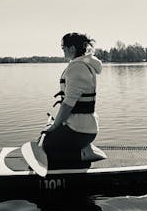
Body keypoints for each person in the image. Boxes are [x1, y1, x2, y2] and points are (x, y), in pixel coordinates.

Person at [41, 32, 102, 169]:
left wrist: (55, 125)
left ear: (72, 48)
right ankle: (83, 146)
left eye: (64, 47)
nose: (62, 50)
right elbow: (76, 95)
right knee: (47, 138)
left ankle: (83, 153)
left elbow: (68, 104)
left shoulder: (77, 68)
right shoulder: (82, 65)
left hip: (80, 129)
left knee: (48, 147)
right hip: (85, 127)